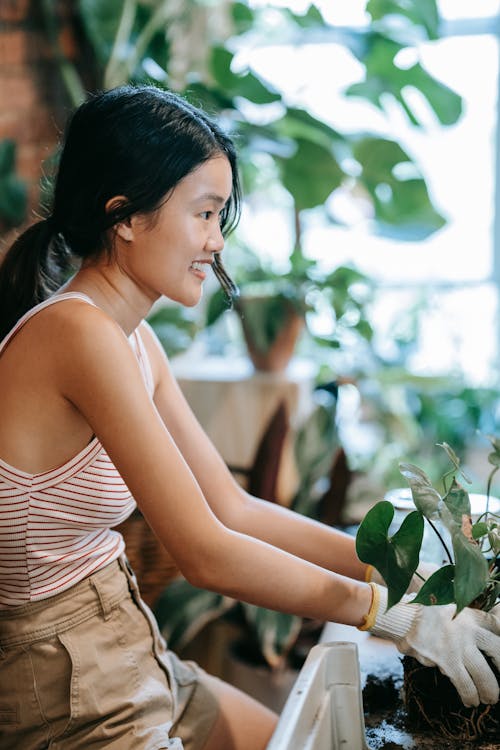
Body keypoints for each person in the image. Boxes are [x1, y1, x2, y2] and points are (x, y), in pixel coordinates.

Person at [0, 84, 498, 750]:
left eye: (221, 216)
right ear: (124, 216)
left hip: (126, 646)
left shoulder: (131, 339)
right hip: (63, 686)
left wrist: (394, 569)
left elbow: (232, 508)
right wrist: (389, 615)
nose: (217, 242)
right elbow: (205, 554)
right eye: (204, 213)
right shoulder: (77, 335)